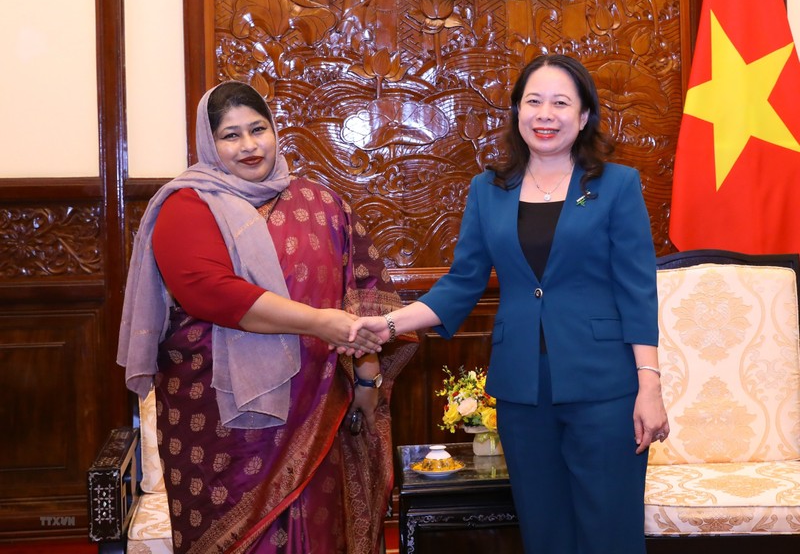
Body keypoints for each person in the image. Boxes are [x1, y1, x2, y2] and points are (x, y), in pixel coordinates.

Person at [351, 54, 669, 554]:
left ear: (583, 116)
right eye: (533, 101)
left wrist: (649, 385)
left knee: (610, 535)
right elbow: (461, 284)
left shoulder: (615, 185)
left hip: (606, 388)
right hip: (523, 390)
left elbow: (637, 289)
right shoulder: (489, 189)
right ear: (518, 112)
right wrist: (386, 324)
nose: (546, 114)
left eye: (561, 102)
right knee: (544, 535)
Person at [117, 80, 417, 553]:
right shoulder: (186, 206)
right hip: (221, 427)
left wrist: (366, 380)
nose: (250, 145)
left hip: (321, 407)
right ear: (208, 143)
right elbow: (212, 294)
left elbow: (363, 294)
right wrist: (318, 322)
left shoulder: (322, 204)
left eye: (259, 129)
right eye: (231, 135)